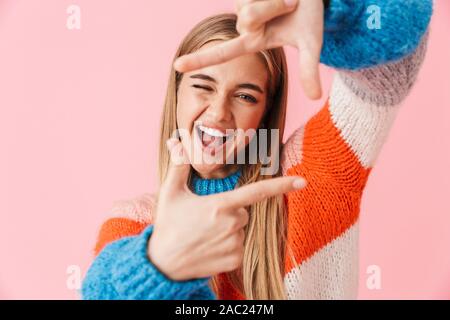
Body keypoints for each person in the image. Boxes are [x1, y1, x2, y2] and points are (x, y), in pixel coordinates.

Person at [81, 0, 433, 300]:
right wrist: (157, 266)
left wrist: (335, 13)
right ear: (176, 95)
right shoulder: (133, 224)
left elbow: (390, 73)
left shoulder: (311, 174)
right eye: (203, 86)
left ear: (265, 111)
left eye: (246, 96)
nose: (219, 112)